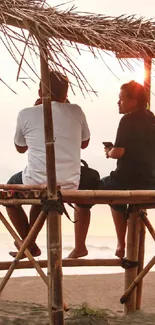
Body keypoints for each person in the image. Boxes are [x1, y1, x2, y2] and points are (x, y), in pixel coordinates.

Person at [6, 70, 90, 258]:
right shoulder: (76, 111)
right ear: (65, 93)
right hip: (70, 182)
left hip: (36, 180)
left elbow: (20, 148)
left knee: (8, 196)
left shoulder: (26, 113)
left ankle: (29, 242)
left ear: (39, 91)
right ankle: (29, 243)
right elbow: (84, 143)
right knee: (40, 194)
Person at [68, 80, 155, 259]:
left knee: (110, 192)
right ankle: (126, 245)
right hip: (149, 180)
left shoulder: (128, 120)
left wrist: (109, 152)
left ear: (134, 101)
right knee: (119, 194)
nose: (118, 102)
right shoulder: (151, 118)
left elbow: (119, 152)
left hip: (126, 179)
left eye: (122, 99)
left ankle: (119, 244)